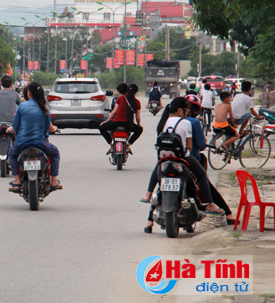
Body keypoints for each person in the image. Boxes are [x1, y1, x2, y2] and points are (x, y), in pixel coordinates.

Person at [141, 97, 224, 228]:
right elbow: (189, 147)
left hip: (164, 157)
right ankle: (209, 203)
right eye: (186, 110)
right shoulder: (186, 123)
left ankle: (148, 194)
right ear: (180, 110)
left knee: (159, 172)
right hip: (182, 157)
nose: (187, 112)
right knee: (202, 175)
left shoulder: (165, 121)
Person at [185, 94, 237, 225]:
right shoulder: (193, 122)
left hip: (169, 158)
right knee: (206, 183)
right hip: (190, 159)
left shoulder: (170, 121)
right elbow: (201, 145)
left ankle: (150, 218)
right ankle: (225, 212)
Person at [6, 81, 62, 192]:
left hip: (22, 143)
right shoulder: (44, 108)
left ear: (29, 93)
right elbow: (47, 129)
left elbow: (15, 127)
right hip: (40, 143)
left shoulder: (22, 106)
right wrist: (45, 137)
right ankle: (54, 181)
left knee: (11, 155)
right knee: (55, 153)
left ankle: (17, 180)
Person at [99, 82, 143, 154]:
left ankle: (111, 145)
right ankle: (128, 145)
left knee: (101, 127)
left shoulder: (121, 98)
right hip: (128, 125)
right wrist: (139, 124)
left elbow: (113, 112)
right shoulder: (137, 102)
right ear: (136, 92)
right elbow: (138, 117)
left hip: (116, 122)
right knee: (140, 130)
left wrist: (107, 121)